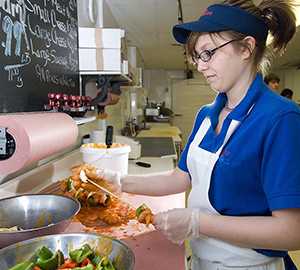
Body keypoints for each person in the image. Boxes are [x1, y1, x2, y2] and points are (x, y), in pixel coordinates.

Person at [95, 1, 300, 269]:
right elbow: (180, 178)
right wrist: (119, 183)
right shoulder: (206, 115)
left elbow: (291, 231)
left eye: (208, 53)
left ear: (247, 48)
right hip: (201, 260)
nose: (201, 66)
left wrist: (197, 222)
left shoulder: (280, 119)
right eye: (197, 56)